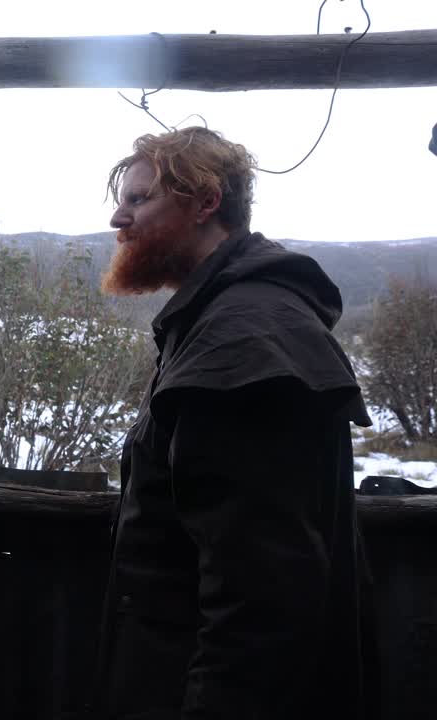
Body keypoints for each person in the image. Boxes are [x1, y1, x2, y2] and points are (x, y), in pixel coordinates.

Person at [93, 127, 379, 719]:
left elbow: (264, 601)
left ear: (206, 203)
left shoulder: (243, 342)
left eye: (140, 199)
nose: (119, 218)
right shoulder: (228, 320)